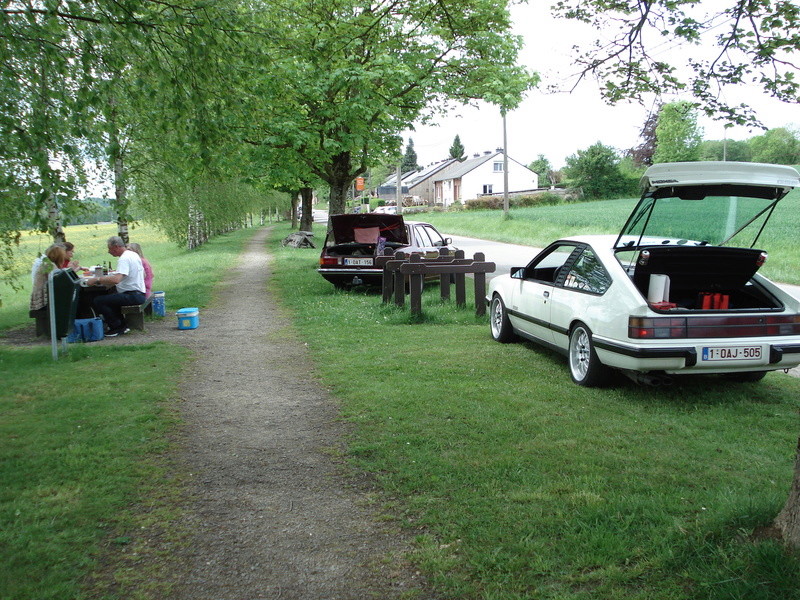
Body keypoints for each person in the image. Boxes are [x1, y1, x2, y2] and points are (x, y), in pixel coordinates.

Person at [85, 236, 146, 337]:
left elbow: (116, 279)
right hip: (139, 293)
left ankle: (116, 327)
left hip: (133, 295)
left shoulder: (124, 259)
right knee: (111, 298)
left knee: (99, 300)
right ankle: (122, 325)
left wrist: (97, 279)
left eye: (110, 248)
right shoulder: (133, 254)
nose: (109, 251)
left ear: (116, 247)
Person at [30, 244, 68, 312]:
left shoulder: (48, 263)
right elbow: (59, 280)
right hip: (43, 302)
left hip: (44, 299)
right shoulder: (49, 265)